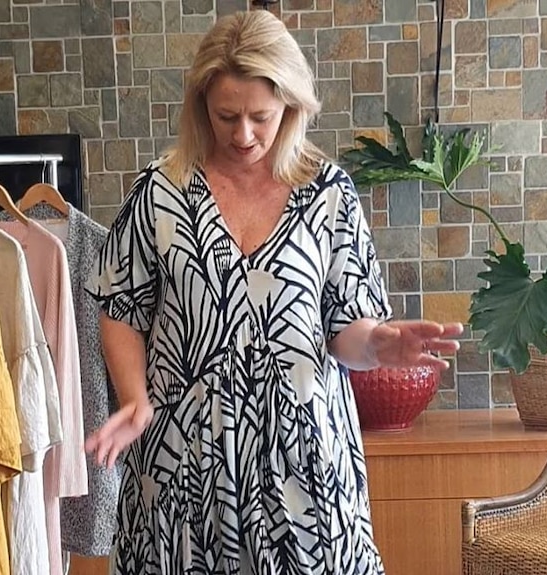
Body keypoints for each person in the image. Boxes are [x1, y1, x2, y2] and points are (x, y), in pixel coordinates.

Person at [86, 10, 462, 574]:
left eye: (260, 116)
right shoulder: (158, 192)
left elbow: (346, 330)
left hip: (305, 472)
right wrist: (134, 396)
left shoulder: (327, 192)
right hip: (183, 471)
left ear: (291, 104)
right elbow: (121, 309)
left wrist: (378, 344)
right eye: (226, 116)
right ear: (201, 108)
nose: (243, 135)